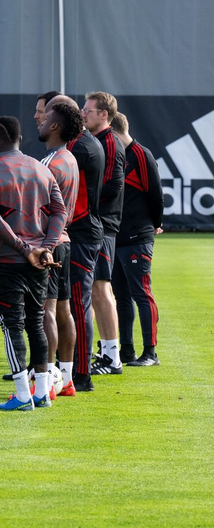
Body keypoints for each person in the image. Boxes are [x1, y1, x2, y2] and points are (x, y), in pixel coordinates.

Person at [0, 116, 67, 411]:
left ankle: (22, 394)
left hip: (8, 261)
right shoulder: (42, 170)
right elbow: (59, 212)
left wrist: (26, 248)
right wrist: (46, 247)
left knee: (12, 326)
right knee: (36, 322)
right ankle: (41, 393)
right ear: (21, 138)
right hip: (40, 262)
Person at [51, 93, 105, 392]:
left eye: (46, 114)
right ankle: (66, 370)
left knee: (77, 303)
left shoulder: (78, 148)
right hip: (80, 231)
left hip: (81, 234)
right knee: (70, 303)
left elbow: (77, 203)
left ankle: (80, 374)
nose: (41, 119)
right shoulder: (79, 146)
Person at [36, 98, 85, 396]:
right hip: (64, 242)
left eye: (44, 118)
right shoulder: (70, 159)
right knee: (63, 312)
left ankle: (48, 380)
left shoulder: (50, 163)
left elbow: (39, 209)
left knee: (47, 312)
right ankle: (66, 378)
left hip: (49, 245)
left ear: (55, 126)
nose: (39, 121)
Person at [109, 112, 163, 367]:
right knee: (121, 297)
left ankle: (150, 352)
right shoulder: (116, 155)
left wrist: (155, 224)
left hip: (137, 236)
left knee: (142, 293)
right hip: (117, 237)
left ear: (115, 130)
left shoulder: (141, 154)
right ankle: (127, 350)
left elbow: (156, 193)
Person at [82, 91, 126, 375]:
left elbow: (113, 186)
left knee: (101, 288)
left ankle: (113, 356)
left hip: (103, 226)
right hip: (97, 224)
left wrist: (82, 200)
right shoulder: (98, 141)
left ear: (104, 115)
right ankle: (105, 351)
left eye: (89, 110)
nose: (84, 113)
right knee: (96, 289)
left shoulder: (110, 142)